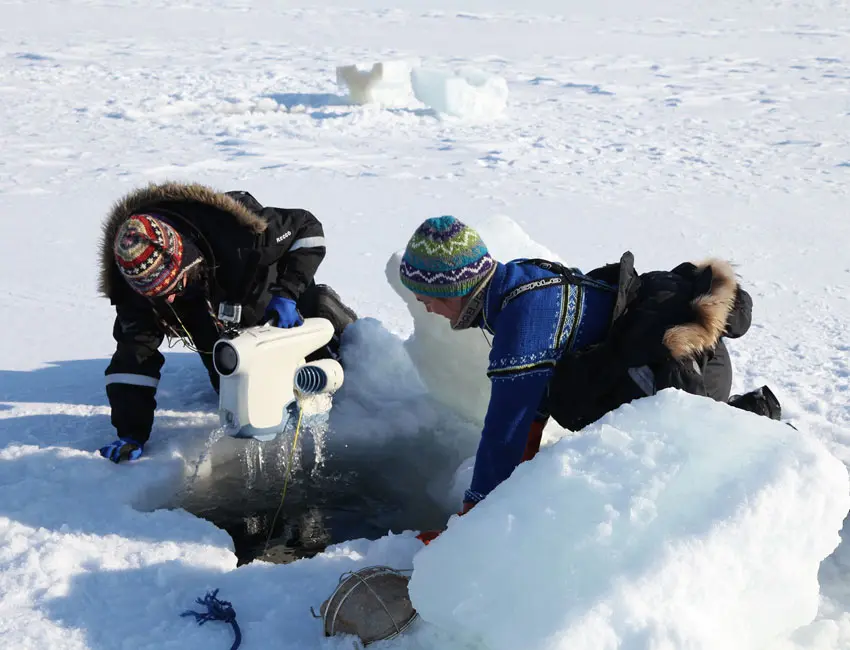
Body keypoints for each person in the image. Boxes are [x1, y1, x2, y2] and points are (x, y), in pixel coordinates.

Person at [397, 215, 775, 524]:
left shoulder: (521, 322)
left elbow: (504, 431)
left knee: (660, 474)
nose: (427, 310)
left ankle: (750, 433)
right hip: (691, 355)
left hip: (683, 375)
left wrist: (473, 517)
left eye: (425, 298)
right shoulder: (520, 279)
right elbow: (534, 398)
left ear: (455, 288)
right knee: (574, 387)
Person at [97, 181, 357, 463]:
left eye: (172, 288)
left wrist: (287, 292)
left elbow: (308, 229)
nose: (167, 301)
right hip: (216, 324)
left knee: (331, 368)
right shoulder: (137, 290)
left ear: (186, 261)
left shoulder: (240, 234)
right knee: (233, 391)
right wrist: (130, 432)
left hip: (273, 299)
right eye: (158, 296)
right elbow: (133, 358)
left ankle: (328, 309)